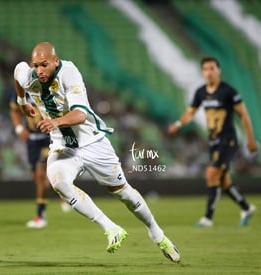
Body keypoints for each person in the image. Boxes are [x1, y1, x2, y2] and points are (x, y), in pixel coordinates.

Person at [13, 42, 180, 262]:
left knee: (123, 193)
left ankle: (157, 234)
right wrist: (22, 101)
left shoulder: (69, 73)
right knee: (57, 181)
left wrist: (56, 122)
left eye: (44, 65)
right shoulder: (30, 76)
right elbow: (18, 71)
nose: (40, 70)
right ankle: (111, 228)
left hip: (92, 142)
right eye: (36, 66)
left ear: (55, 61)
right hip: (63, 145)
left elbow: (80, 115)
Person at [168, 56, 257, 227]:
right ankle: (246, 208)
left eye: (212, 68)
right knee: (223, 181)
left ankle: (207, 218)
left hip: (228, 140)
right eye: (205, 69)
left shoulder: (229, 92)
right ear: (202, 72)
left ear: (218, 70)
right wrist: (178, 124)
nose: (208, 72)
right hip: (213, 141)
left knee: (211, 173)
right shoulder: (201, 92)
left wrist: (251, 140)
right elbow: (190, 113)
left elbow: (244, 115)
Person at [9, 93, 72, 229]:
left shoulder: (46, 88)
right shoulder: (21, 93)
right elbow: (14, 110)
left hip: (48, 138)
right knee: (39, 180)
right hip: (32, 140)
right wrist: (19, 128)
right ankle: (63, 193)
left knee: (41, 173)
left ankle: (40, 216)